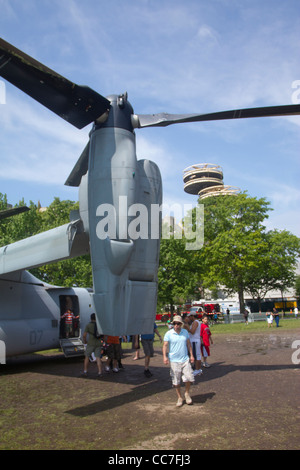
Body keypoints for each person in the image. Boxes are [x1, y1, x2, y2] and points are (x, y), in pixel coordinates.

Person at [163, 315, 195, 407]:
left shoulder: (185, 332)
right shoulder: (169, 333)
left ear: (181, 324)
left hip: (185, 359)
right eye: (175, 323)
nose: (176, 325)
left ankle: (187, 394)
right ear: (173, 324)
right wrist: (165, 357)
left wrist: (191, 355)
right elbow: (165, 345)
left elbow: (188, 344)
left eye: (178, 324)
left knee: (188, 377)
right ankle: (179, 397)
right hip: (174, 360)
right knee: (176, 380)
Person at [82, 313, 103, 377]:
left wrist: (85, 341)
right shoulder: (99, 325)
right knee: (98, 358)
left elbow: (84, 335)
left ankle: (85, 371)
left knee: (87, 357)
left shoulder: (88, 325)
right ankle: (100, 372)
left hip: (90, 343)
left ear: (91, 318)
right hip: (98, 343)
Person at [183, 312, 202, 377]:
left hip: (195, 341)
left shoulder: (195, 322)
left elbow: (192, 332)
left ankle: (197, 369)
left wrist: (187, 327)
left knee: (196, 356)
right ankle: (198, 369)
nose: (189, 318)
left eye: (190, 317)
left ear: (192, 316)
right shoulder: (195, 322)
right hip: (194, 340)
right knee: (197, 355)